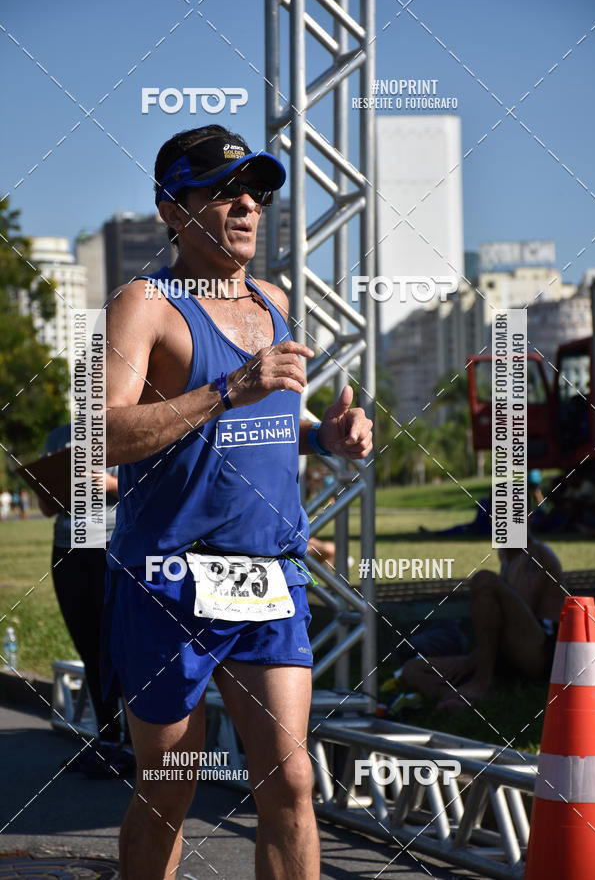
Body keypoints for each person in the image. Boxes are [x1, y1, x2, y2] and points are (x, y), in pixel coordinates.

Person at [102, 125, 373, 880]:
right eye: (223, 191)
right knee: (168, 790)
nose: (248, 205)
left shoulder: (273, 300)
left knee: (290, 782)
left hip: (268, 575)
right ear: (170, 208)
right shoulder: (145, 305)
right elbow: (104, 435)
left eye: (257, 191)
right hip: (168, 580)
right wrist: (227, 388)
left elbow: (278, 420)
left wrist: (330, 439)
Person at [38, 423, 132, 773]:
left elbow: (157, 488)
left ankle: (138, 744)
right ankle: (108, 739)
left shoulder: (130, 425)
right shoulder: (57, 437)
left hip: (112, 546)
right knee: (89, 647)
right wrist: (52, 487)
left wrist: (108, 484)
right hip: (67, 549)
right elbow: (46, 508)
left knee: (118, 646)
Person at [402, 532, 565, 712]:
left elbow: (517, 618)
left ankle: (482, 683)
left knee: (484, 579)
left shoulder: (537, 555)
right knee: (412, 670)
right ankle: (458, 697)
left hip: (540, 650)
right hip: (505, 655)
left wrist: (476, 660)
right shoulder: (506, 554)